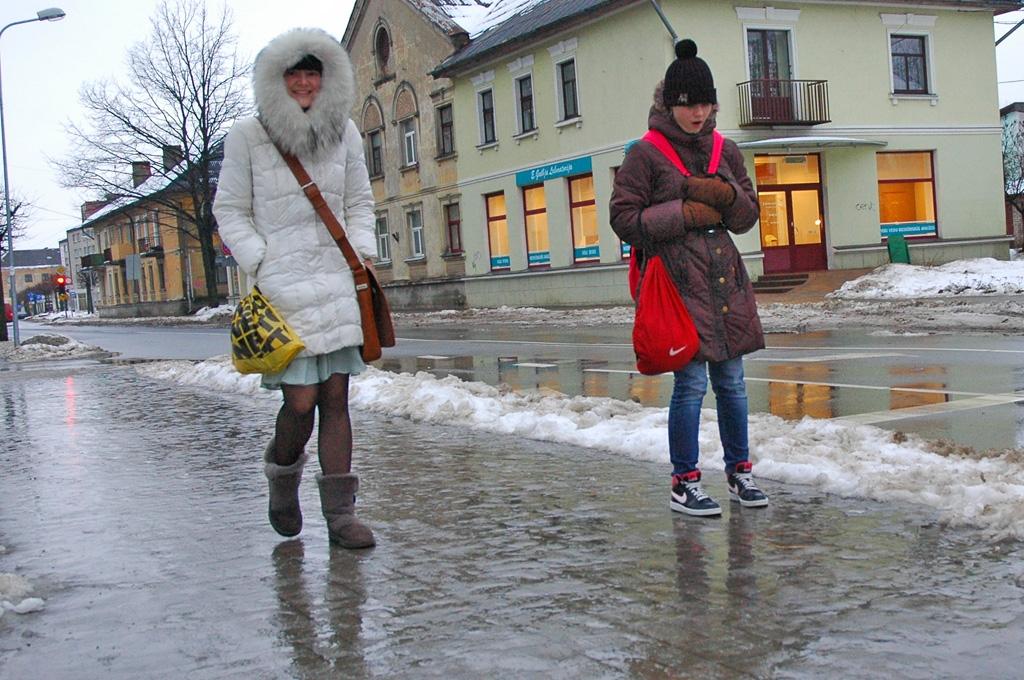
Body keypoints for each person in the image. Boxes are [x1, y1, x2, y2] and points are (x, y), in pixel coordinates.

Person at [214, 28, 378, 548]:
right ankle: (281, 480)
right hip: (283, 289)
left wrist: (362, 254)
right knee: (301, 401)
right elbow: (230, 211)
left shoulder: (345, 132)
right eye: (295, 74)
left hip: (337, 279)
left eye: (313, 73)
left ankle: (341, 516)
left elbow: (360, 202)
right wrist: (262, 260)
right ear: (276, 80)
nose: (305, 83)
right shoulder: (247, 136)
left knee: (336, 397)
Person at [610, 39, 769, 517]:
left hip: (725, 282)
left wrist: (723, 194)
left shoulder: (727, 150)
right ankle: (684, 482)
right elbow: (624, 219)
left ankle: (740, 472)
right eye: (689, 105)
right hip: (679, 287)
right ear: (670, 104)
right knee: (691, 386)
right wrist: (682, 212)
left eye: (705, 103)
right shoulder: (646, 154)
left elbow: (746, 218)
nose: (699, 114)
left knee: (734, 384)